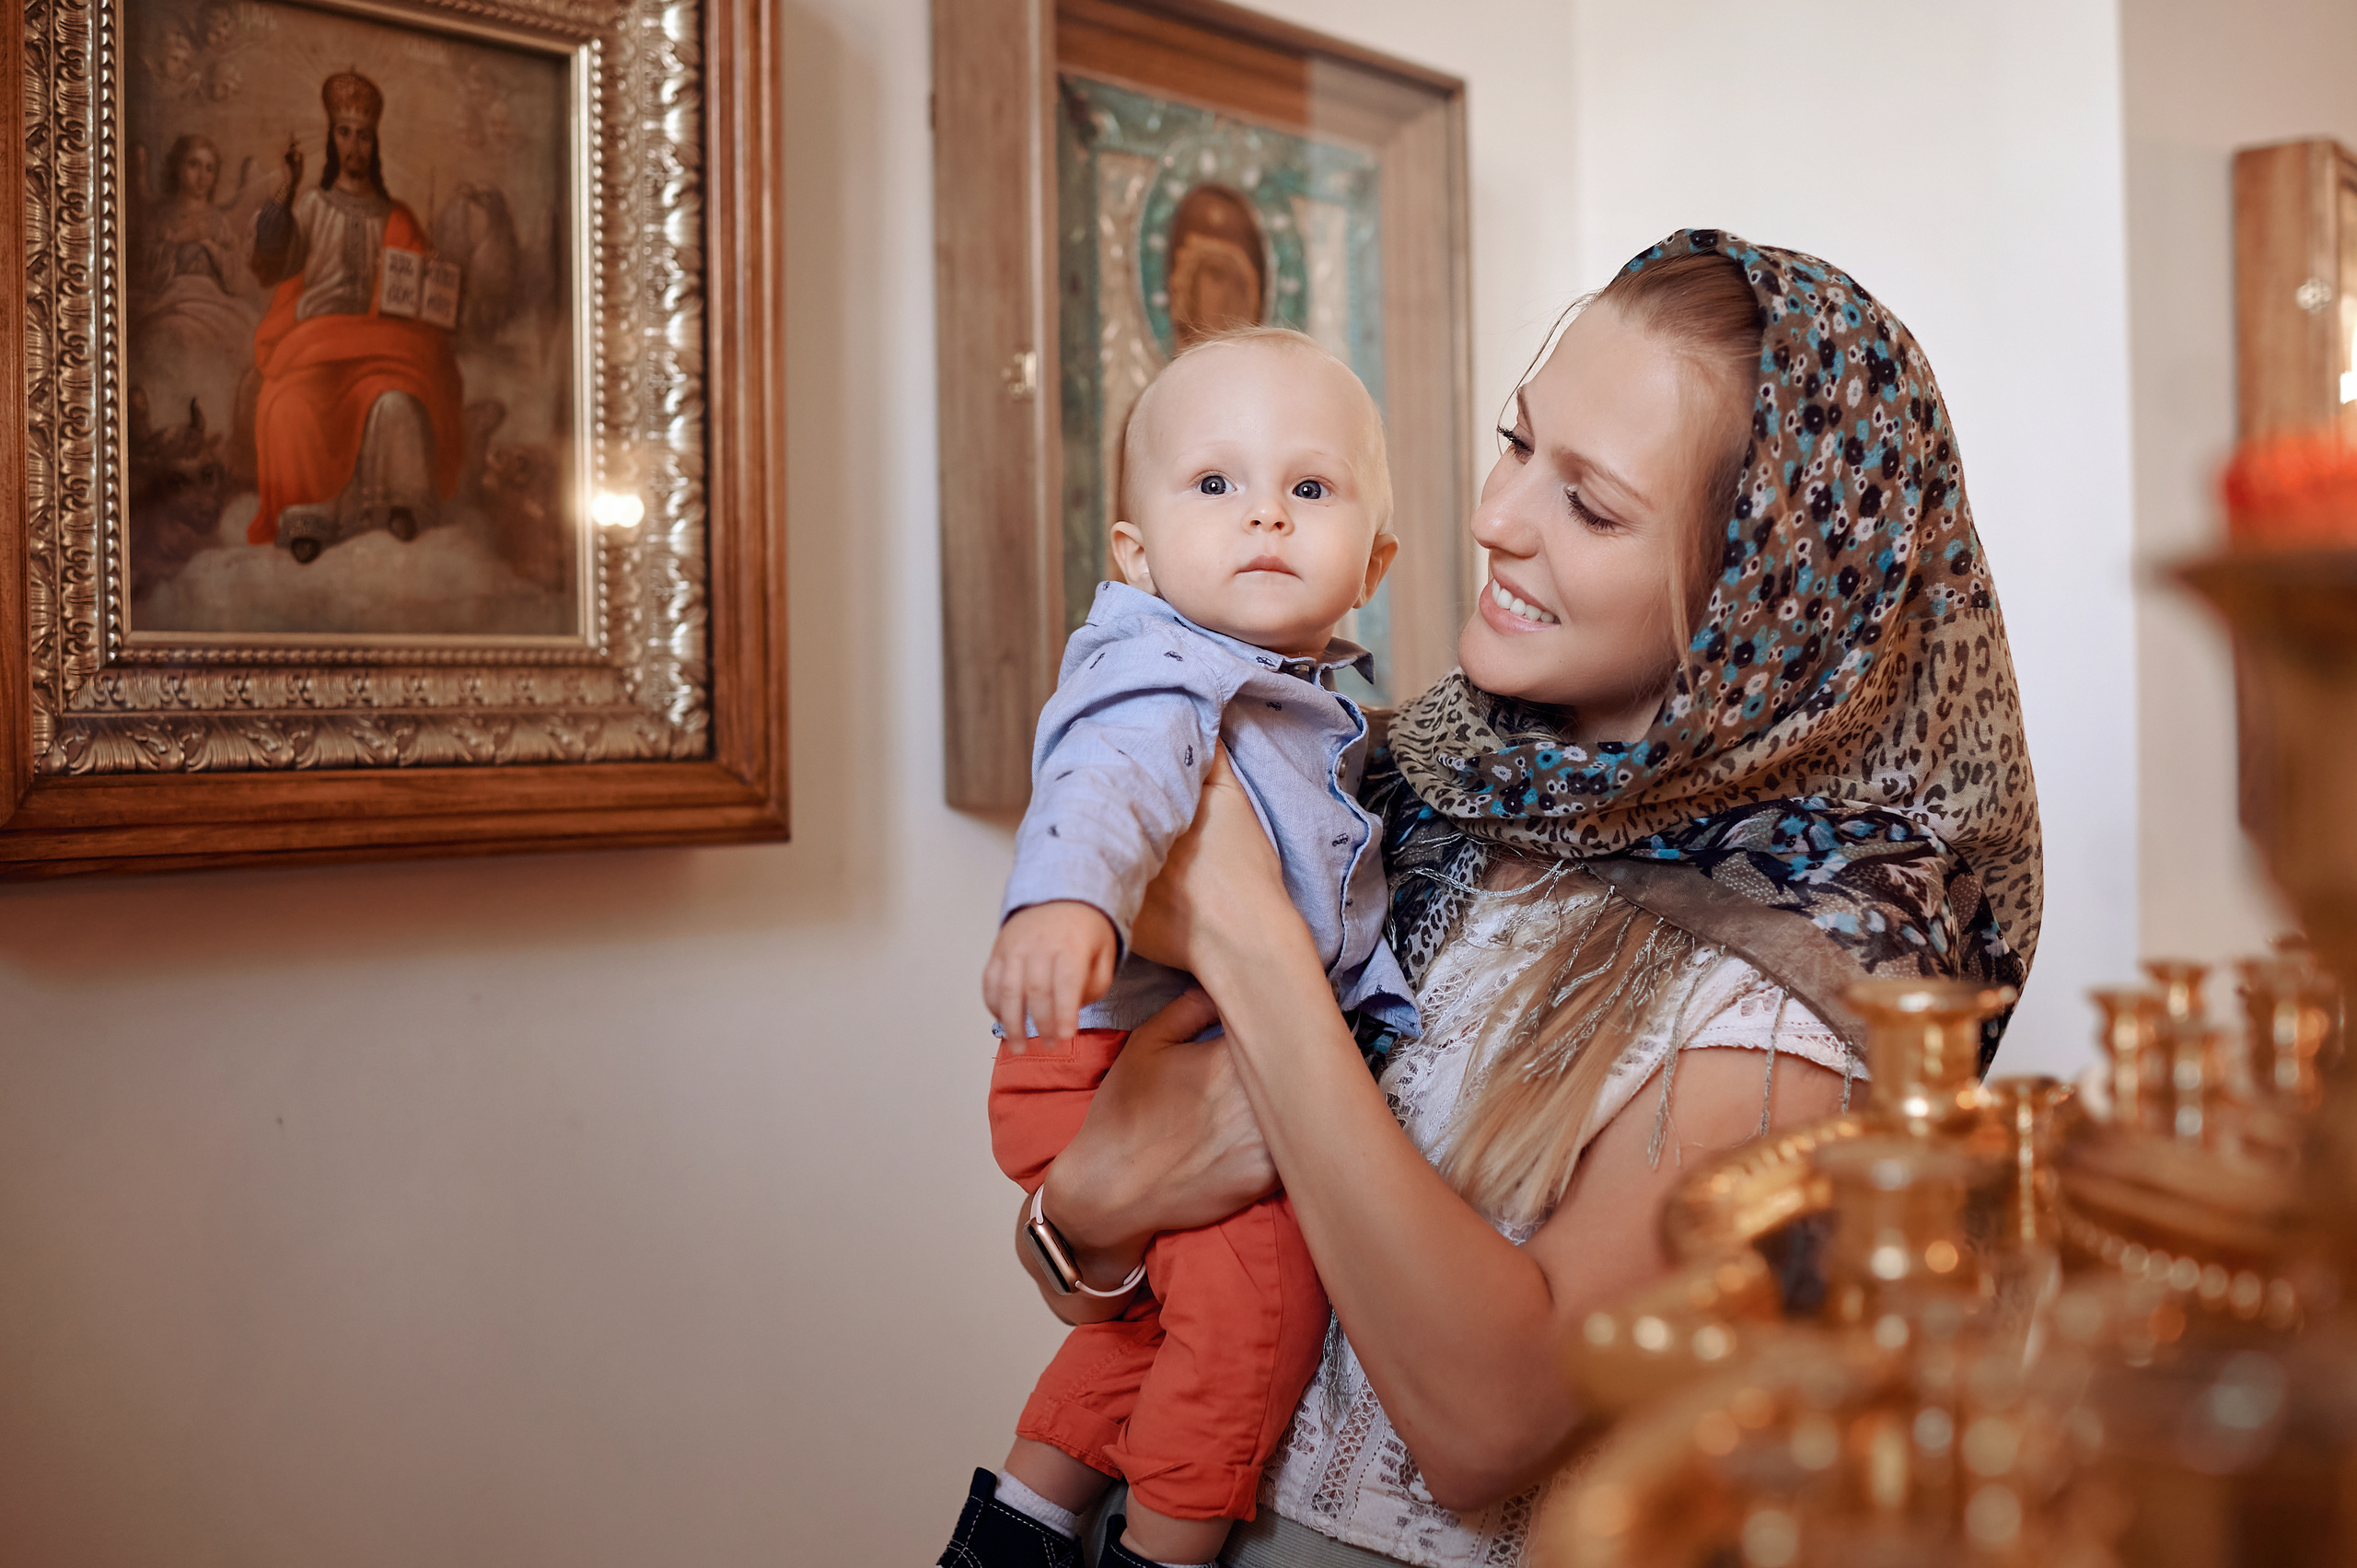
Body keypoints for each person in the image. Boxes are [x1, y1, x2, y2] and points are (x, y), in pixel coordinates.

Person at [977, 229, 2042, 1567]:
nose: (1496, 515)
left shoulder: (1817, 946)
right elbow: (1100, 1258)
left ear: (1754, 599)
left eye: (1591, 504)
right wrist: (1090, 1207)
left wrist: (1248, 940)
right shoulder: (1408, 771)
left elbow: (1491, 1421)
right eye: (1516, 440)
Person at [940, 329, 1421, 1568]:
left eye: (1307, 489)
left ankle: (1026, 1519)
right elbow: (1109, 782)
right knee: (1262, 1310)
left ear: (1371, 560)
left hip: (1114, 1077)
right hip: (1113, 1057)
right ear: (1137, 555)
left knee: (1150, 1325)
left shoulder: (1303, 700)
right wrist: (1069, 903)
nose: (1263, 512)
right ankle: (1165, 1552)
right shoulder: (1168, 669)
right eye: (1215, 484)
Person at [244, 69, 464, 552]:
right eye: (345, 133)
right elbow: (271, 259)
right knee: (290, 405)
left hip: (383, 348)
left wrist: (433, 281)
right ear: (332, 138)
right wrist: (286, 186)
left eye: (364, 136)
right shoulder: (313, 207)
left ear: (375, 144)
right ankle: (308, 520)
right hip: (315, 345)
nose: (355, 145)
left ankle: (398, 507)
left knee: (397, 402)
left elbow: (421, 304)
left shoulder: (398, 217)